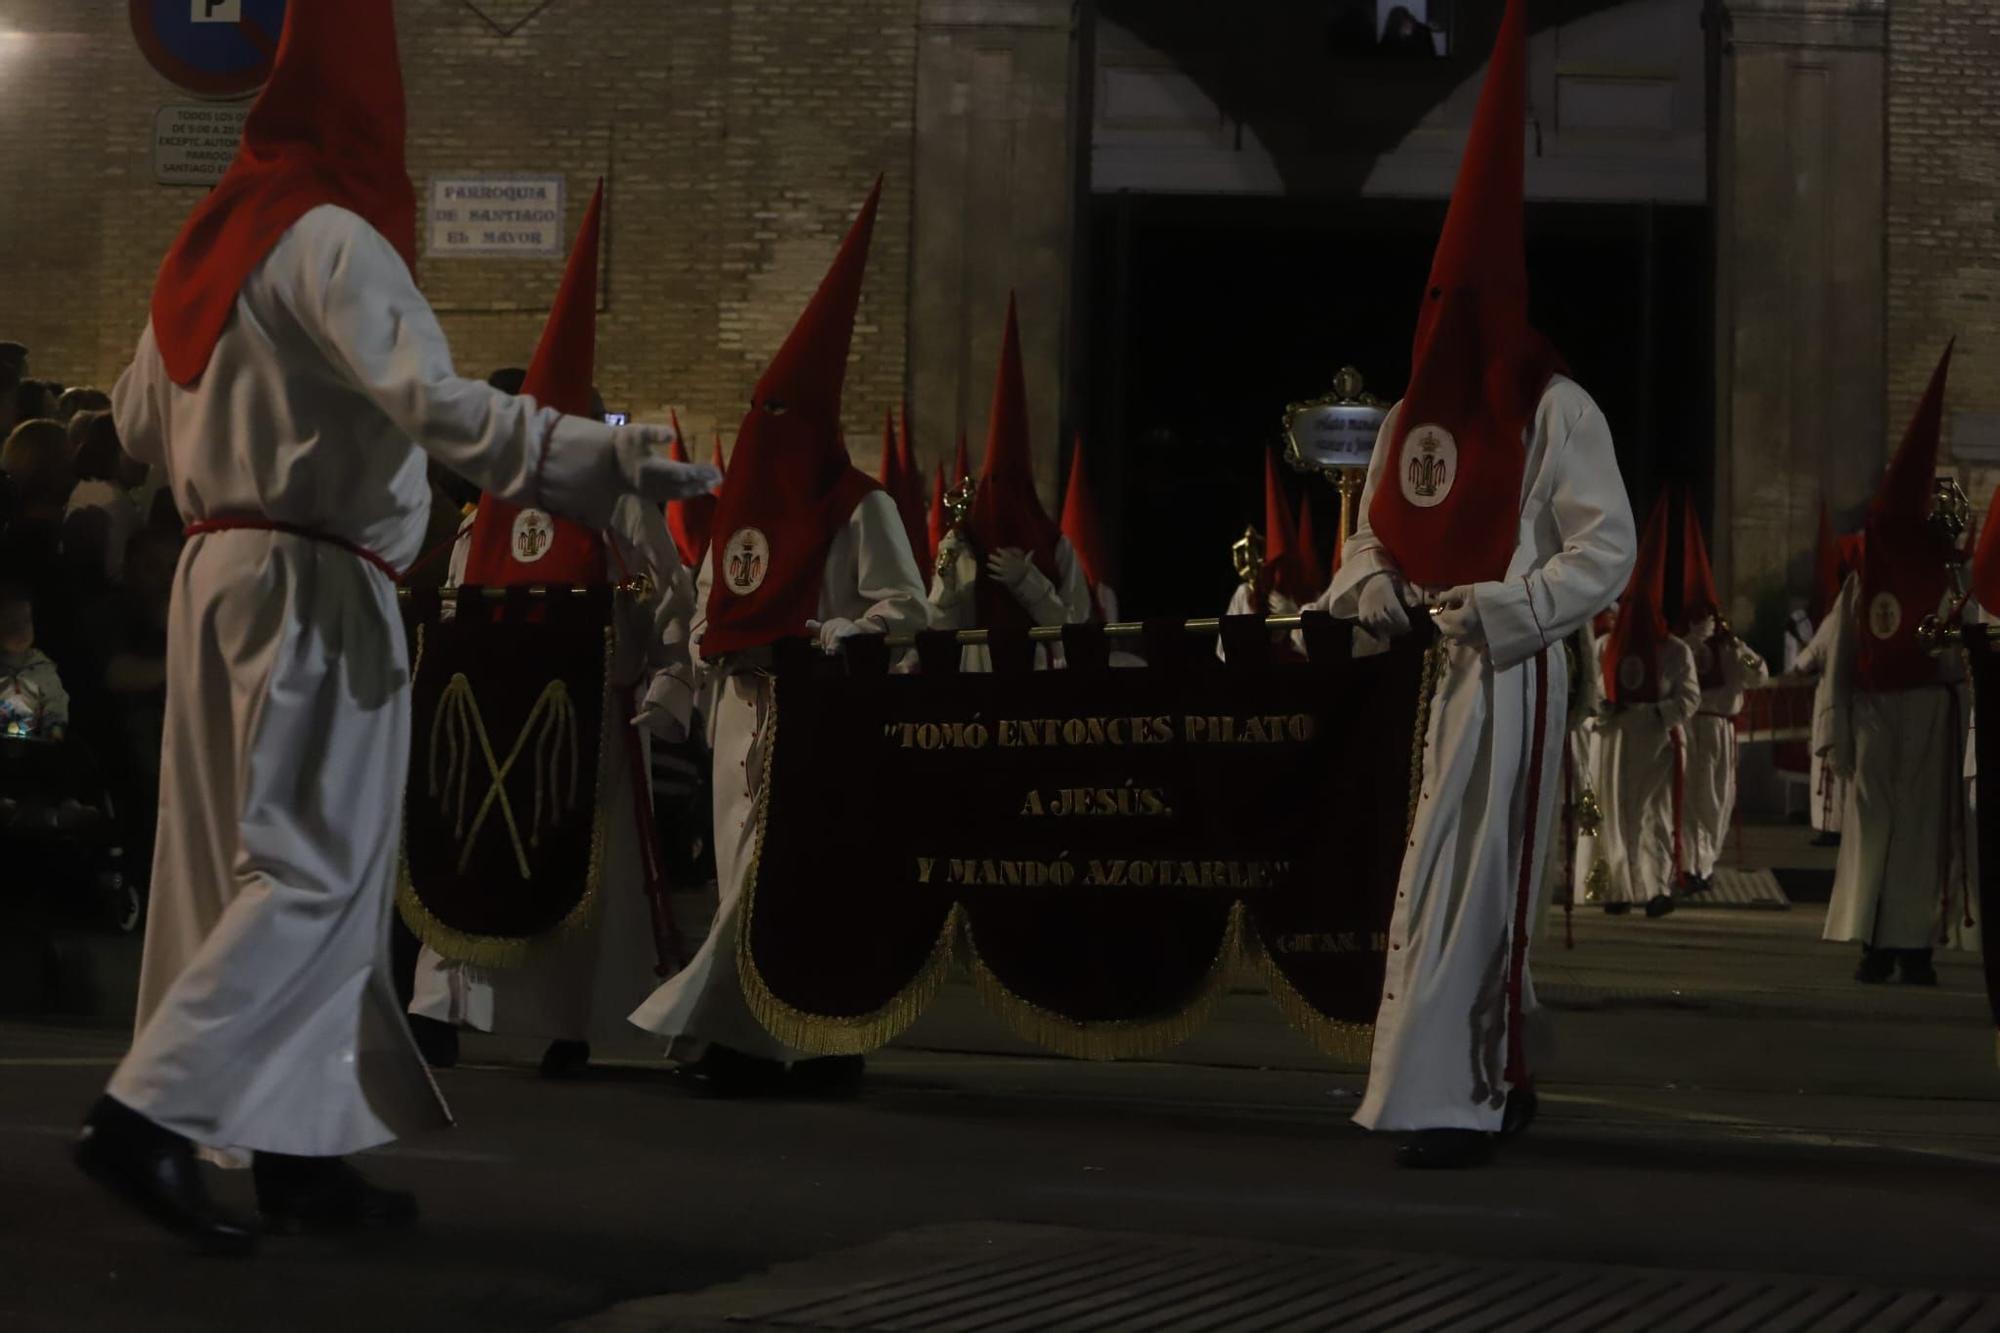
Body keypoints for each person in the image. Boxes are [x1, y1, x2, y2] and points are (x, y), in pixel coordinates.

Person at [75, 0, 716, 1255]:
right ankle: (148, 1115)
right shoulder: (334, 241)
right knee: (312, 872)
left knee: (262, 872)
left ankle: (299, 1153)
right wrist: (604, 453)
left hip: (216, 571)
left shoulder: (208, 243)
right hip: (315, 579)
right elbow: (443, 408)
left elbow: (138, 421)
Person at [1313, 0, 1634, 1169]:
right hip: (1418, 684)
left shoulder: (1556, 409)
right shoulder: (1406, 420)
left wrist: (1508, 606)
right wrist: (1371, 590)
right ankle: (1473, 1068)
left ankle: (1451, 1095)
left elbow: (1605, 550)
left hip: (1505, 673)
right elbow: (1366, 543)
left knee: (1476, 879)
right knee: (1425, 884)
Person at [629, 179, 931, 1095]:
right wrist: (685, 685)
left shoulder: (859, 507)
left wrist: (826, 635)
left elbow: (906, 608)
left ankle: (768, 1040)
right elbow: (710, 613)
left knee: (793, 886)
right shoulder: (737, 518)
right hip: (739, 718)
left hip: (818, 718)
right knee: (739, 884)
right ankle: (771, 1035)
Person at [408, 186, 699, 1079]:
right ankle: (443, 1012)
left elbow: (671, 602)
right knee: (474, 853)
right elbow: (457, 599)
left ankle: (573, 1024)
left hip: (586, 723)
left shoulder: (622, 504)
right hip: (494, 711)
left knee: (582, 875)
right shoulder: (482, 515)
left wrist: (663, 692)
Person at [1822, 346, 1974, 986]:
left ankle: (1911, 946)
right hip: (1879, 713)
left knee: (1916, 834)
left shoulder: (1948, 576)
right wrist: (1837, 732)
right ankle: (1874, 943)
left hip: (1925, 714)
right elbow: (1840, 658)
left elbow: (1965, 649)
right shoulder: (1869, 579)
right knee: (1877, 828)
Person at [930, 297, 1092, 671]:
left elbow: (1078, 629)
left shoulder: (1055, 545)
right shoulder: (964, 541)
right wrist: (950, 583)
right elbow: (938, 627)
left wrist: (1028, 582)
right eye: (992, 484)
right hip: (978, 674)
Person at [1593, 498, 1700, 918]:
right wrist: (1606, 709)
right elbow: (1593, 697)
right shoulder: (1605, 648)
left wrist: (1654, 713)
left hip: (1656, 743)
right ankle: (1619, 888)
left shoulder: (1674, 652)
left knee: (1654, 817)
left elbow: (1689, 698)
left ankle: (1656, 889)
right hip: (1616, 744)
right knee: (1616, 818)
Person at [1676, 497, 1767, 894]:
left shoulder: (1732, 648)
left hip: (1718, 731)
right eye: (1698, 618)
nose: (1705, 624)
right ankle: (1690, 864)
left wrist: (1742, 653)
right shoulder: (1680, 647)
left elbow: (1760, 676)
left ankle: (1705, 860)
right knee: (1689, 799)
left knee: (1716, 800)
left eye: (1709, 618)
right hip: (1689, 728)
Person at [64, 411, 141, 584]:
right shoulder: (114, 503)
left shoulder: (87, 488)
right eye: (135, 450)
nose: (144, 460)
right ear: (113, 452)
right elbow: (116, 572)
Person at [0, 583, 67, 741]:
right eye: (11, 624)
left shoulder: (43, 668)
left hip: (35, 750)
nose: (21, 630)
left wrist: (54, 734)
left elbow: (56, 704)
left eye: (25, 621)